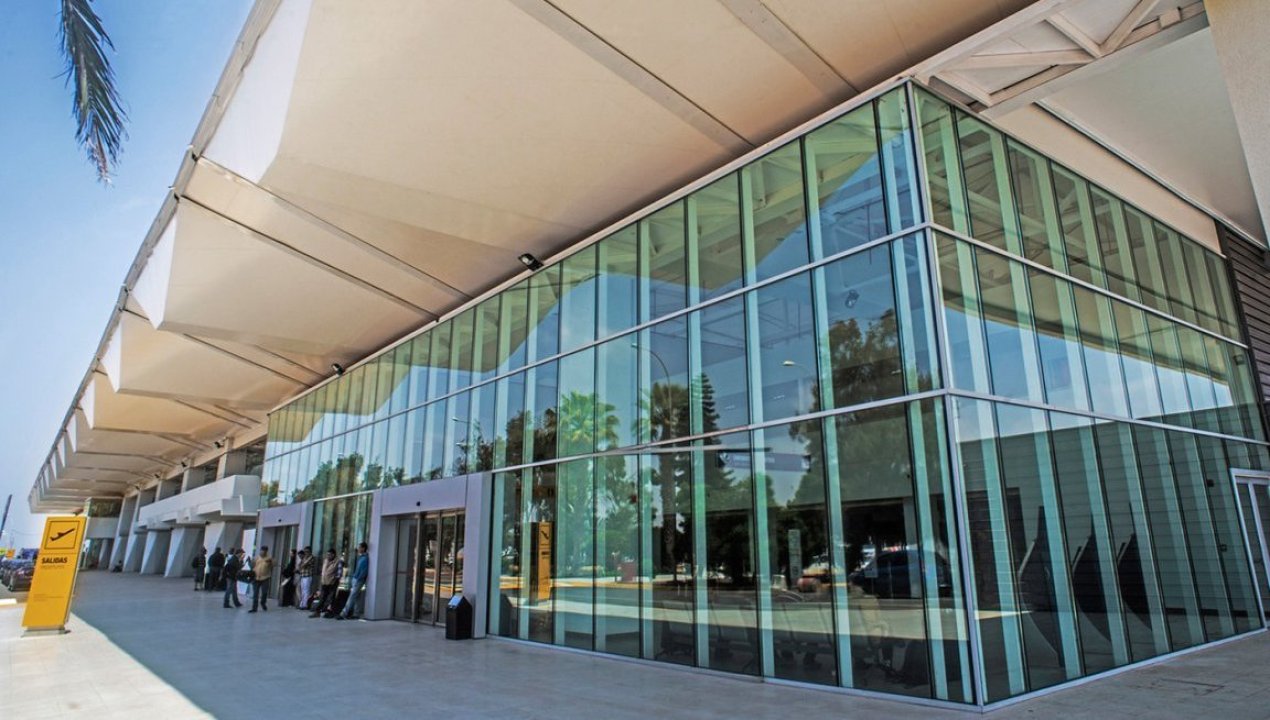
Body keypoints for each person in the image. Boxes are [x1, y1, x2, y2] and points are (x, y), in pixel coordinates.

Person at [337, 542, 370, 620]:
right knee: (357, 597)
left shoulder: (365, 558)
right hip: (355, 579)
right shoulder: (360, 557)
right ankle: (356, 614)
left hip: (359, 580)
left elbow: (364, 571)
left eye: (360, 547)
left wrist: (358, 578)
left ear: (363, 548)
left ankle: (343, 613)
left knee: (352, 596)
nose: (358, 549)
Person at [310, 549, 340, 618]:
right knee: (322, 598)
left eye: (330, 555)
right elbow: (323, 572)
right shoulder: (325, 561)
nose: (328, 556)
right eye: (327, 554)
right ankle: (317, 612)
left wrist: (333, 579)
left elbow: (339, 574)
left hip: (332, 583)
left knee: (331, 598)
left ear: (333, 555)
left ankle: (329, 612)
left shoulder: (338, 562)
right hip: (324, 582)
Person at [249, 546, 275, 613]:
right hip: (256, 578)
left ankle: (263, 603)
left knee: (264, 592)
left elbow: (273, 565)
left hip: (265, 578)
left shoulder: (269, 558)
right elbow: (252, 566)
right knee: (255, 594)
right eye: (261, 551)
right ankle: (254, 608)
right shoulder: (256, 558)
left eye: (264, 551)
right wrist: (250, 562)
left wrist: (271, 562)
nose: (262, 552)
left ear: (266, 552)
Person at [296, 546, 316, 611]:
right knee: (302, 591)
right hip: (303, 575)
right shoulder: (305, 558)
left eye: (307, 551)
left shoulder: (311, 557)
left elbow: (303, 565)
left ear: (310, 552)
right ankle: (302, 604)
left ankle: (305, 605)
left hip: (308, 576)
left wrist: (301, 565)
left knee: (306, 591)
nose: (305, 553)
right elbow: (299, 566)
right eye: (305, 552)